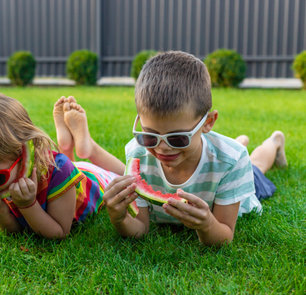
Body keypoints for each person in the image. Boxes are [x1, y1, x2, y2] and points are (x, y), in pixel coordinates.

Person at [55, 51, 287, 246]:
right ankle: (237, 140)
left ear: (208, 122)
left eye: (177, 139)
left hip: (232, 176)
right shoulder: (137, 152)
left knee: (256, 166)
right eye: (150, 136)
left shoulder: (233, 161)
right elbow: (141, 228)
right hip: (213, 152)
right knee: (228, 148)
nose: (162, 148)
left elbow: (224, 236)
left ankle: (274, 142)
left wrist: (207, 224)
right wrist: (120, 219)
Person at [0, 92, 117, 239]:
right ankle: (66, 145)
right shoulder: (4, 172)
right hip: (63, 170)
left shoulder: (60, 171)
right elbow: (17, 231)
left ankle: (87, 146)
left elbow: (59, 232)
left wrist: (27, 205)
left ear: (22, 154)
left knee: (125, 175)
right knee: (69, 163)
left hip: (93, 179)